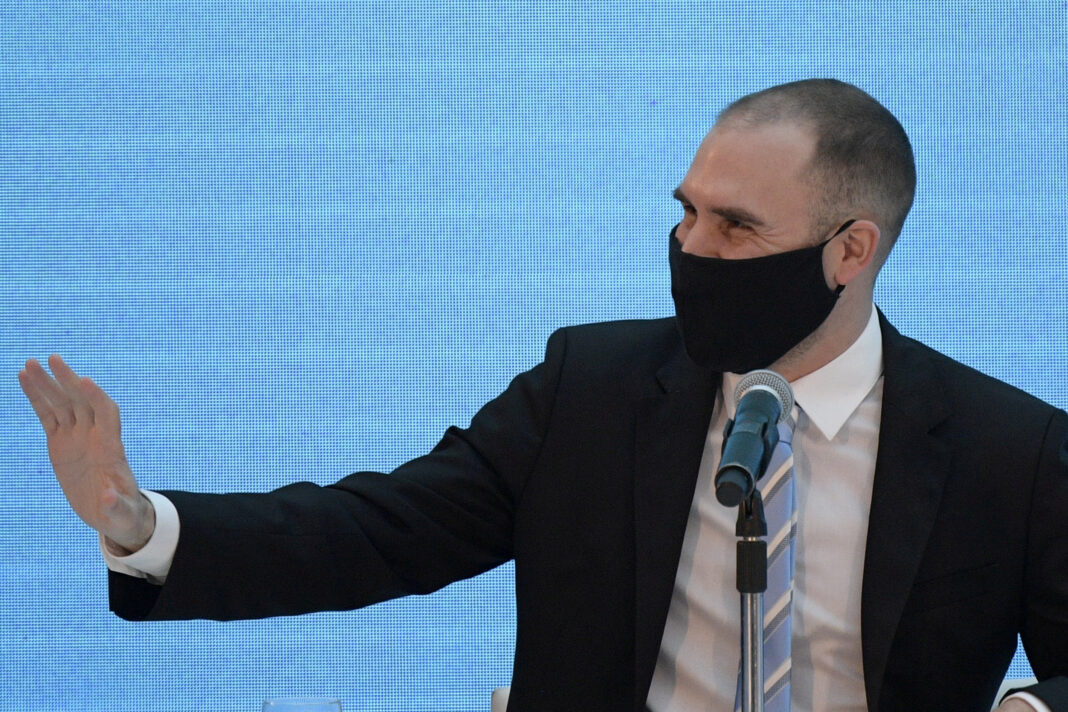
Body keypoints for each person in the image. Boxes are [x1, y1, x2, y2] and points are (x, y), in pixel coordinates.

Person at [18, 79, 1068, 711]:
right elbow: (379, 530)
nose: (691, 248)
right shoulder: (593, 390)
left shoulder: (1007, 452)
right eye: (686, 211)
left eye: (736, 227)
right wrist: (141, 521)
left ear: (852, 249)